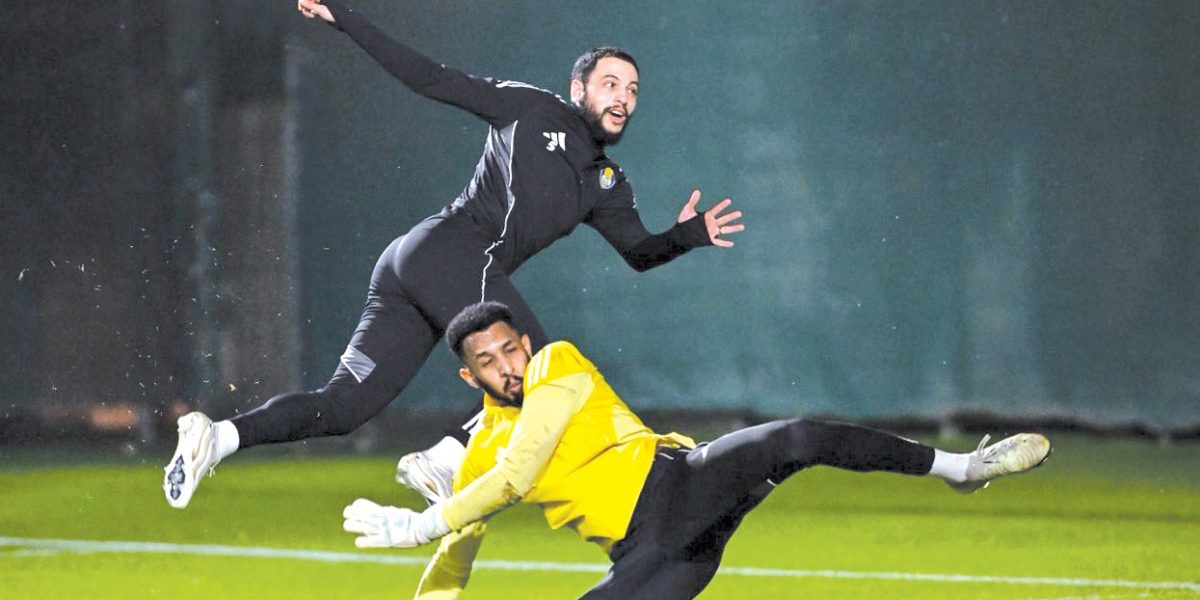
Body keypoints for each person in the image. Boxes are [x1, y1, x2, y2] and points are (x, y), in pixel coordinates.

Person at [163, 0, 744, 509]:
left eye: (633, 89)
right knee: (544, 368)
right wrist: (347, 20)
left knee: (344, 408)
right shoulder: (531, 108)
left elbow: (639, 253)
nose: (623, 97)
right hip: (448, 251)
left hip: (426, 265)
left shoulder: (607, 183)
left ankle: (217, 437)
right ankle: (445, 460)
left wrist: (687, 234)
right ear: (579, 90)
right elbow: (433, 79)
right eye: (611, 83)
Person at [340, 302, 1053, 599]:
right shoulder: (481, 444)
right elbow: (459, 548)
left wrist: (416, 522)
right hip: (658, 556)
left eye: (509, 348)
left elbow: (519, 472)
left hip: (688, 483)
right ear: (469, 376)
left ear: (525, 343)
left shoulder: (556, 363)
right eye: (487, 361)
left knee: (795, 436)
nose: (506, 365)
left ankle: (963, 468)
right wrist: (433, 557)